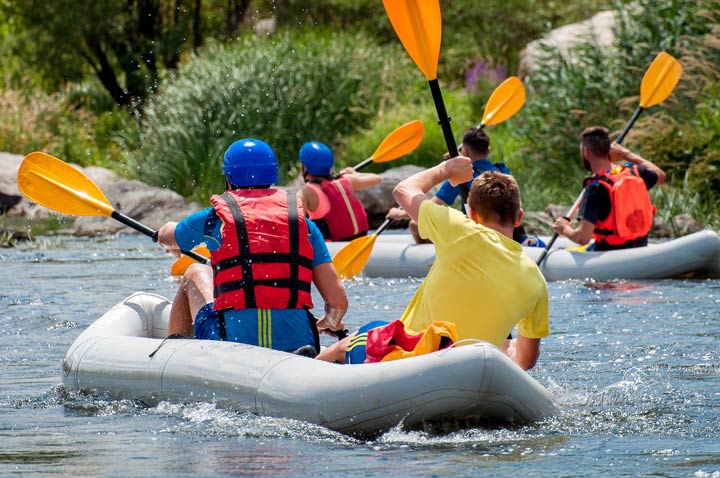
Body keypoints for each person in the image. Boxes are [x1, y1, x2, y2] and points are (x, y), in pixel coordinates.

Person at [318, 159, 549, 370]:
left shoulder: (459, 228)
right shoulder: (536, 281)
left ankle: (309, 369)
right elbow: (525, 361)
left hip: (410, 362)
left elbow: (403, 190)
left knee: (360, 335)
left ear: (473, 215)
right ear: (519, 218)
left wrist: (447, 169)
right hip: (470, 373)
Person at [157, 138, 348, 356]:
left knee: (194, 272)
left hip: (233, 342)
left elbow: (171, 236)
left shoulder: (214, 219)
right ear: (273, 176)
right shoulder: (304, 225)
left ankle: (172, 356)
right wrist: (330, 321)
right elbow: (338, 303)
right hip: (299, 344)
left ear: (228, 178)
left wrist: (166, 233)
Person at [385, 127, 537, 246]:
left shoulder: (460, 177)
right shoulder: (503, 171)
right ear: (488, 150)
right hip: (512, 232)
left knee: (413, 224)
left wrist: (401, 214)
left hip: (477, 234)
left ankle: (442, 249)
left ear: (464, 151)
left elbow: (434, 204)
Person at [551, 126, 666, 251]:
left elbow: (582, 238)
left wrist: (564, 229)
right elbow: (660, 176)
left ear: (586, 152)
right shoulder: (634, 173)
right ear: (609, 151)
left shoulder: (595, 188)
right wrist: (625, 154)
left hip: (610, 253)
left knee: (563, 250)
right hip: (640, 247)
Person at [299, 141, 382, 241]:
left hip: (330, 250)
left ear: (305, 167)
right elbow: (377, 179)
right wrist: (355, 173)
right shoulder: (346, 180)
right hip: (358, 242)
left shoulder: (306, 193)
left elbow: (296, 226)